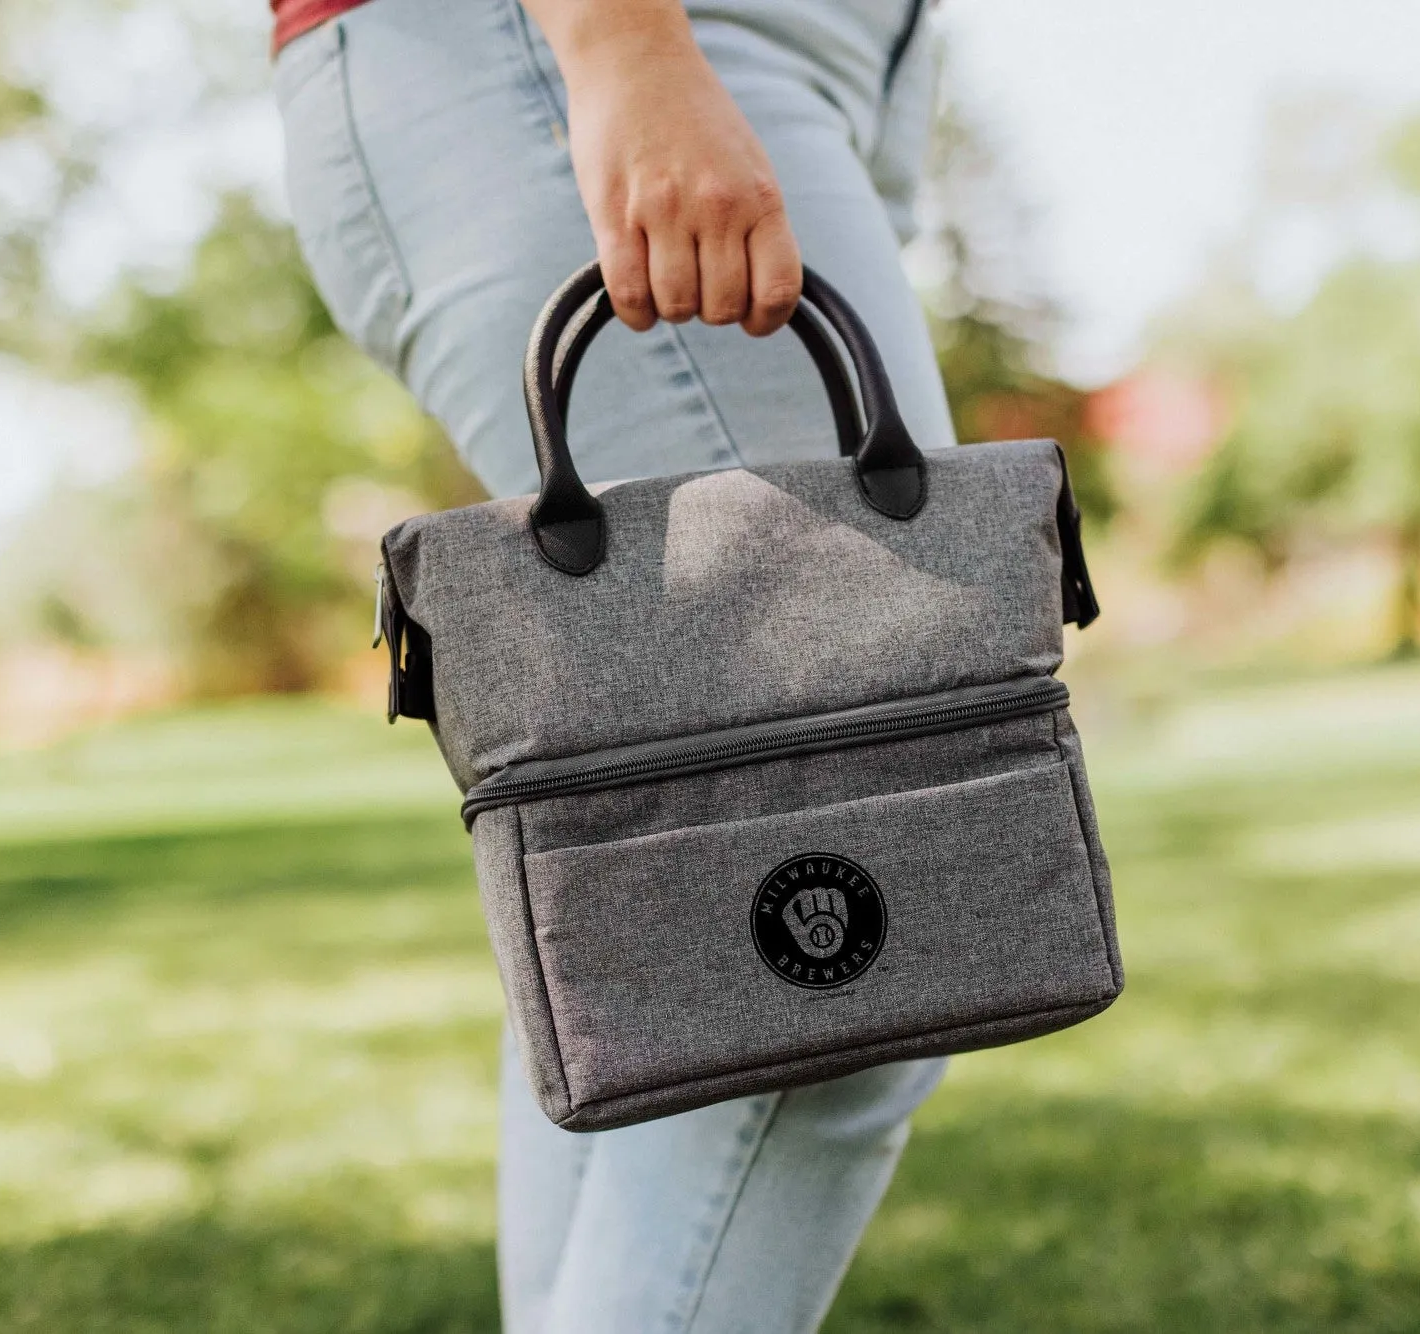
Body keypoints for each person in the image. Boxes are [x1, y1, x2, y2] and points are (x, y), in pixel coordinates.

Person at [271, 1, 955, 1329]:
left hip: (805, 58)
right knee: (853, 929)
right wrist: (623, 47)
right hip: (591, 35)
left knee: (653, 913)